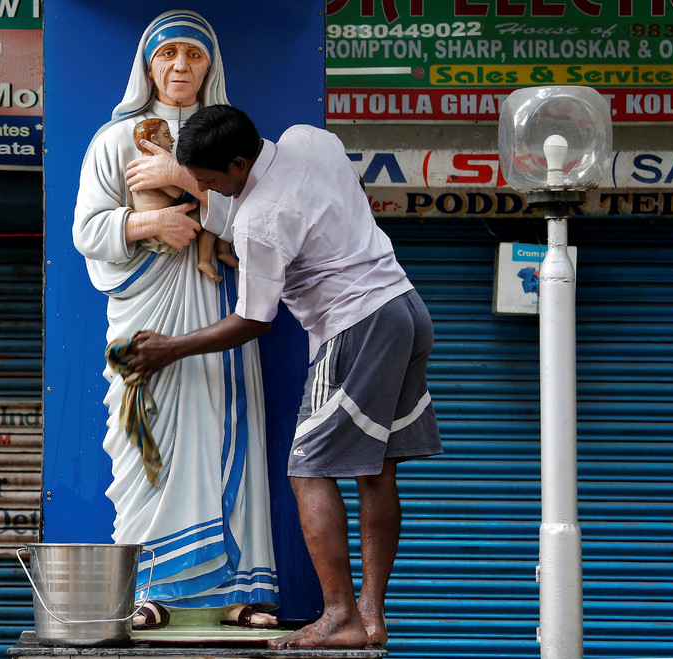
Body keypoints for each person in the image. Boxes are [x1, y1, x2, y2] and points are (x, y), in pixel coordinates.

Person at [127, 105, 443, 649]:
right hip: (406, 309)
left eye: (206, 182)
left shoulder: (260, 222)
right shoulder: (309, 139)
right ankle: (369, 618)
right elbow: (312, 212)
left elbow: (253, 319)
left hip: (355, 325)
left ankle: (340, 614)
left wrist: (170, 349)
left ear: (239, 162)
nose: (202, 190)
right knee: (378, 469)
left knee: (307, 469)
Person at [72, 11, 279, 631]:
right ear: (147, 66)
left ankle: (236, 595)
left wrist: (178, 177)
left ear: (210, 64)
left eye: (193, 55)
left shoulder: (232, 137)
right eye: (168, 56)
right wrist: (149, 222)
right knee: (147, 440)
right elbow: (86, 231)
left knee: (225, 435)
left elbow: (262, 220)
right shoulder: (114, 141)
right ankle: (149, 587)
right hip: (144, 310)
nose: (180, 67)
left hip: (217, 314)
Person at [131, 117, 238, 282]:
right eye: (167, 135)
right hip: (161, 231)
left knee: (215, 206)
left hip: (167, 218)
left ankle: (222, 251)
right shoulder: (151, 166)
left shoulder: (141, 162)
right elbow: (175, 193)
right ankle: (206, 259)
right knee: (210, 211)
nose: (172, 139)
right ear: (154, 140)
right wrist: (180, 177)